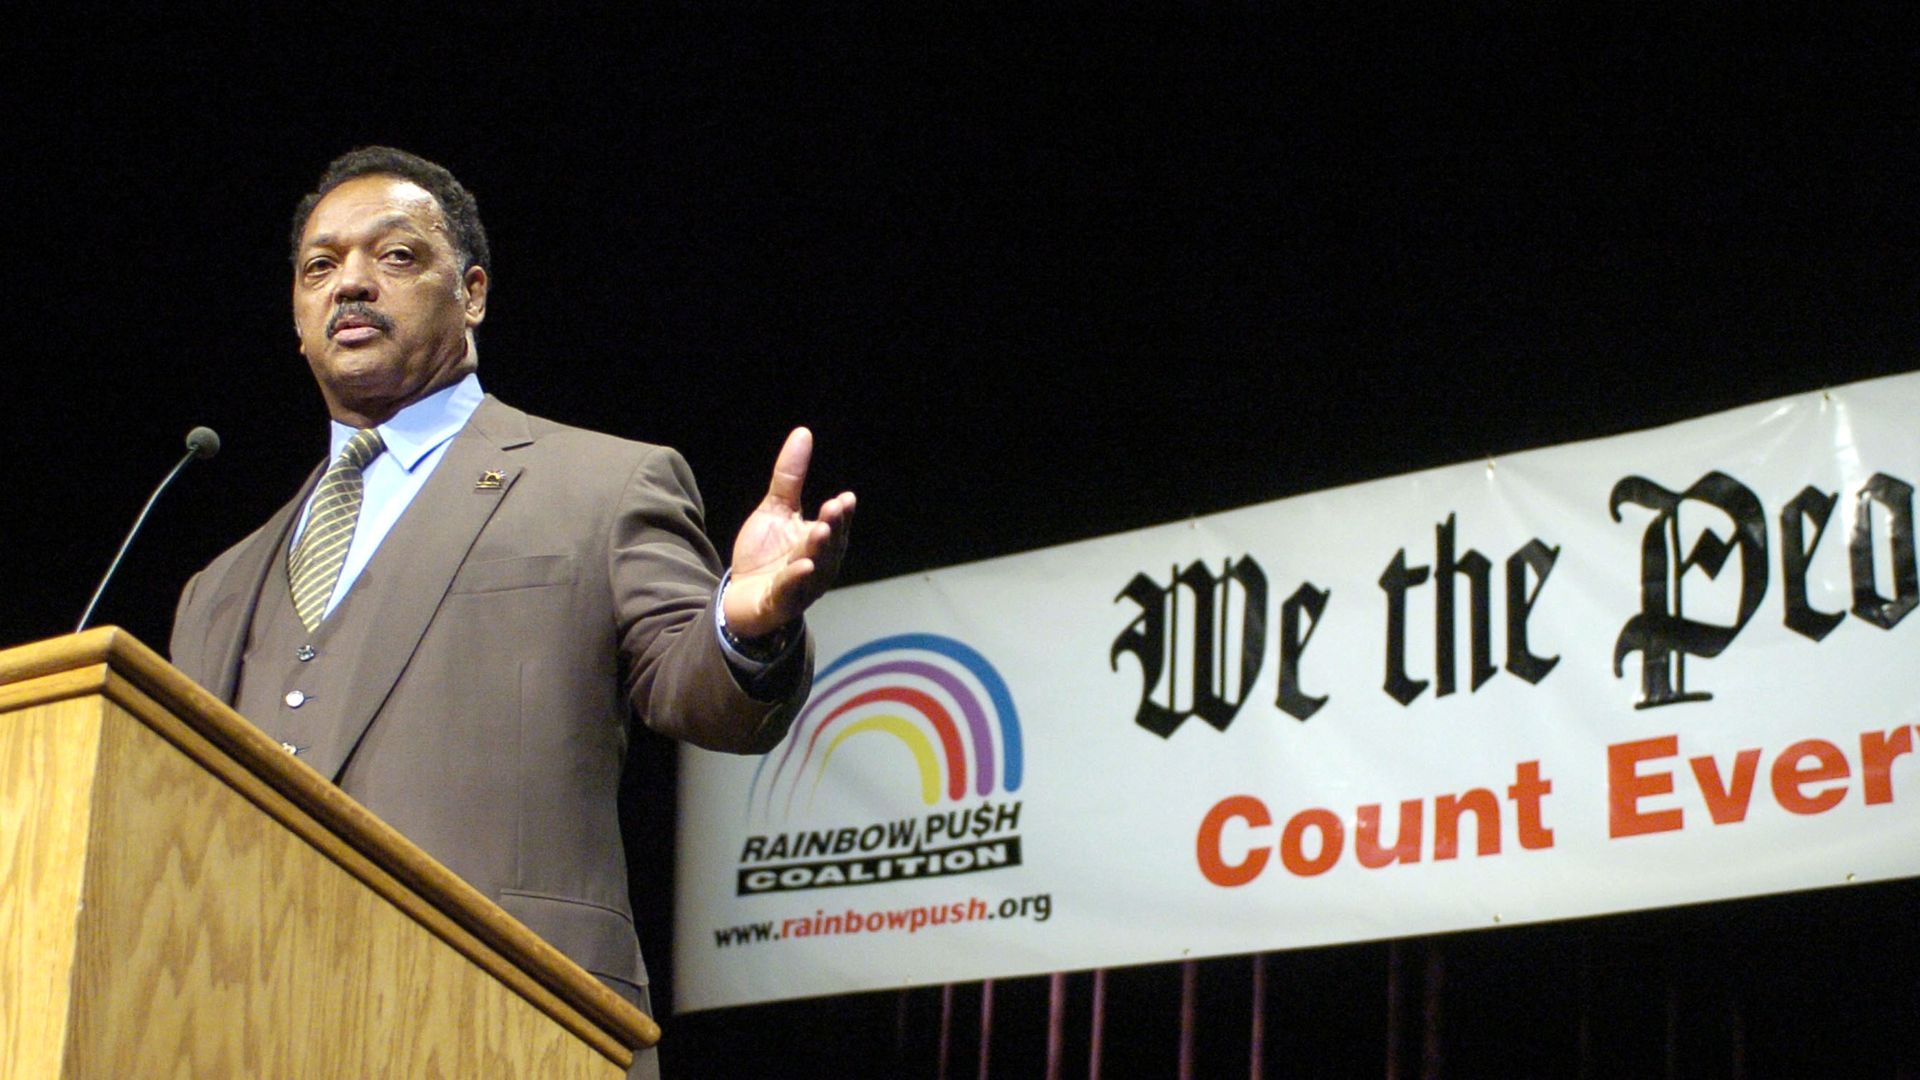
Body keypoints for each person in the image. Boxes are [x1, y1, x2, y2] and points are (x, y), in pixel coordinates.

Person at [168, 146, 854, 1079]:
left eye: (397, 257)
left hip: (508, 1028)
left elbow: (700, 694)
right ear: (296, 317)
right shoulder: (216, 587)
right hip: (240, 1035)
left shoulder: (600, 484)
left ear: (475, 292)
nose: (353, 284)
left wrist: (744, 626)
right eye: (320, 267)